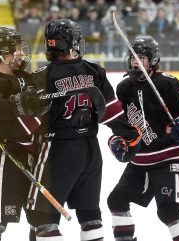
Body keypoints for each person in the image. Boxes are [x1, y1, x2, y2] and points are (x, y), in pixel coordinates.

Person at [25, 18, 141, 241]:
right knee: (90, 216)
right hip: (90, 152)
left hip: (56, 152)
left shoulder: (41, 76)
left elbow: (30, 122)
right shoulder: (94, 70)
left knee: (41, 217)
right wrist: (129, 134)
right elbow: (112, 111)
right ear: (69, 42)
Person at [107, 37, 179, 241]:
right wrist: (116, 141)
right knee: (116, 200)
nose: (135, 62)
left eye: (141, 58)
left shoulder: (167, 83)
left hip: (170, 158)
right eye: (133, 57)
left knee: (167, 211)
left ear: (153, 60)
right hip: (140, 160)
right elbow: (120, 125)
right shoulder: (123, 88)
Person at [0, 27, 50, 241]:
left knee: (41, 222)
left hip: (34, 157)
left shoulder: (27, 78)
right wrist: (18, 105)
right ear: (3, 54)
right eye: (16, 49)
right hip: (3, 158)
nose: (21, 53)